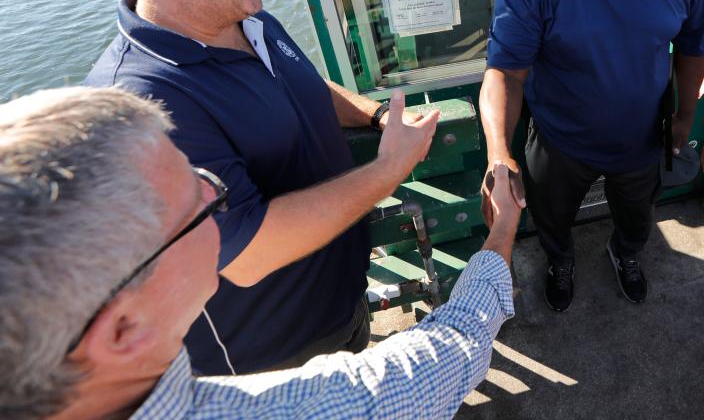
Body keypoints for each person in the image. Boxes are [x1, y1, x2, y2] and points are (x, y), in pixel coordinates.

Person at [86, 0, 441, 375]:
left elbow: (301, 83)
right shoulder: (141, 106)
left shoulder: (245, 16)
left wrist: (375, 115)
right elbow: (247, 254)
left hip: (341, 302)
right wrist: (389, 170)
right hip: (270, 359)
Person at [0, 86, 523, 420]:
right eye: (197, 205)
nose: (215, 192)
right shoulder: (319, 408)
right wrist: (501, 233)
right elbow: (452, 346)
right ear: (119, 332)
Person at [479, 0, 704, 312]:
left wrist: (686, 114)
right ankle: (560, 261)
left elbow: (691, 44)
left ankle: (625, 254)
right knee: (551, 218)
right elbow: (505, 74)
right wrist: (500, 153)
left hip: (644, 136)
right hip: (561, 140)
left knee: (637, 215)